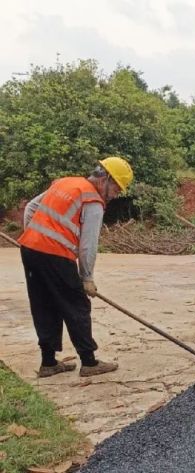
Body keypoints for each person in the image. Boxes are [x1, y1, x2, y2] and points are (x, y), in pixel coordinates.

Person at [18, 157, 133, 377]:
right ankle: (89, 362)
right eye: (117, 188)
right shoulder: (93, 202)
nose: (116, 194)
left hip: (30, 249)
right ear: (106, 179)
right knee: (77, 305)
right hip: (55, 255)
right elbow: (88, 246)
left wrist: (33, 235)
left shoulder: (65, 183)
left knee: (44, 304)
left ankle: (48, 362)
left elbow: (31, 207)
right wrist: (86, 277)